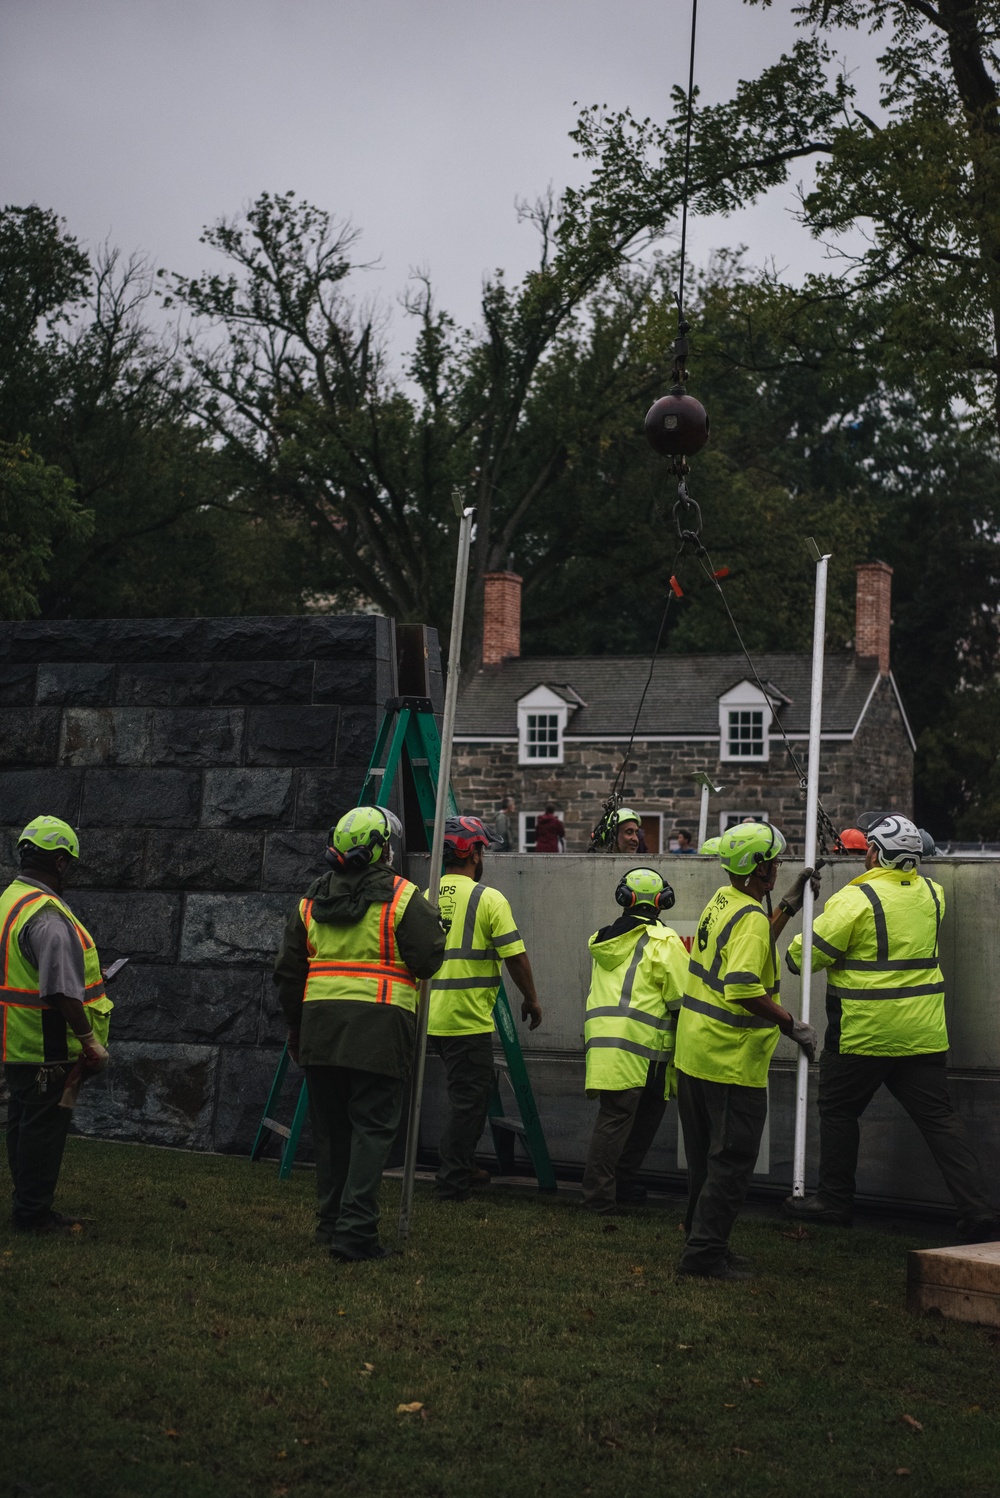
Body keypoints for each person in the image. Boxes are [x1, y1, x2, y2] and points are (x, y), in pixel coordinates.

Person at [783, 813, 998, 1241]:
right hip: (922, 1033)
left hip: (863, 1035)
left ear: (877, 853)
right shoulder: (932, 894)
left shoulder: (854, 899)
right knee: (940, 1120)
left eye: (869, 848)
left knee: (839, 1110)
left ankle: (834, 1201)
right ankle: (978, 1210)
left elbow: (799, 958)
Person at [273, 806, 445, 1262]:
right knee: (372, 1129)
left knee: (331, 1133)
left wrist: (296, 1029)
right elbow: (428, 961)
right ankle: (355, 1235)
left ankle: (330, 1225)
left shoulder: (310, 902)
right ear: (382, 849)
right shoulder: (404, 898)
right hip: (380, 1028)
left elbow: (288, 973)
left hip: (319, 1030)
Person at [674, 822, 819, 1280]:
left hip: (694, 1053)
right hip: (729, 1062)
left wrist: (789, 908)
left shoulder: (725, 901)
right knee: (732, 1164)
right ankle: (704, 1257)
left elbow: (747, 950)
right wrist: (790, 1023)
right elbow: (741, 986)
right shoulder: (751, 918)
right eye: (774, 861)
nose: (779, 867)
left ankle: (701, 1240)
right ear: (759, 869)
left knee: (705, 1163)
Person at [2, 816, 112, 1235]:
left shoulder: (9, 902)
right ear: (62, 863)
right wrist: (89, 1041)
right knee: (43, 1133)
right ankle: (32, 1215)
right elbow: (60, 990)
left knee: (24, 1124)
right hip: (46, 1046)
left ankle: (25, 1204)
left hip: (16, 1040)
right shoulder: (47, 917)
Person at [427, 817, 542, 1200]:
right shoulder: (487, 898)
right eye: (482, 849)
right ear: (473, 853)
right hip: (464, 1019)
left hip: (427, 1016)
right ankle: (452, 1180)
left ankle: (464, 1166)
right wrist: (531, 998)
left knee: (472, 1092)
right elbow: (516, 957)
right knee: (468, 1102)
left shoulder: (422, 895)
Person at [580, 868, 688, 1214]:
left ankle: (621, 1183)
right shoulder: (664, 941)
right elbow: (681, 999)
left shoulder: (606, 938)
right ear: (662, 901)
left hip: (616, 1043)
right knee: (619, 1118)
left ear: (624, 898)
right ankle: (598, 1198)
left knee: (638, 1115)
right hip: (641, 1044)